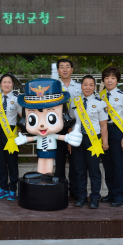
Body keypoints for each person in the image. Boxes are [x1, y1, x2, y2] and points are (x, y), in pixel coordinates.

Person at [14, 78, 83, 182]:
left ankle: (48, 174)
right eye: (32, 119)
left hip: (51, 149)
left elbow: (60, 137)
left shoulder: (54, 133)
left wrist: (69, 137)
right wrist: (24, 139)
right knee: (41, 160)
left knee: (50, 161)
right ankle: (40, 174)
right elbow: (33, 138)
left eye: (51, 118)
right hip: (41, 150)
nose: (42, 125)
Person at [69, 75, 108, 209]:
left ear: (94, 87)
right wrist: (69, 141)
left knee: (94, 170)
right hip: (78, 139)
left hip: (94, 140)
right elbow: (72, 122)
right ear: (81, 86)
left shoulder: (100, 103)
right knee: (79, 170)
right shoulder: (75, 102)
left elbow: (103, 125)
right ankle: (81, 197)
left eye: (91, 85)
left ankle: (95, 198)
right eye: (85, 84)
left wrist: (105, 142)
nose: (88, 87)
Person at [99, 66, 123, 207]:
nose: (109, 80)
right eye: (107, 77)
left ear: (117, 80)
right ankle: (112, 193)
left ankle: (120, 197)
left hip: (117, 131)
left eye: (113, 78)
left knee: (119, 165)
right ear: (103, 80)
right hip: (104, 131)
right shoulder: (100, 96)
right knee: (108, 165)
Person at [0, 74, 22, 201]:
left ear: (12, 84)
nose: (7, 84)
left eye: (9, 82)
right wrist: (0, 124)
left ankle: (13, 189)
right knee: (1, 162)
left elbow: (21, 115)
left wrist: (19, 129)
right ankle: (3, 188)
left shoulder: (17, 99)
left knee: (12, 162)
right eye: (4, 82)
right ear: (0, 84)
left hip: (11, 132)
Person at [55, 58, 82, 199]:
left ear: (72, 69)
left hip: (75, 127)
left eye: (67, 66)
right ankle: (60, 190)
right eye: (61, 67)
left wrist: (73, 128)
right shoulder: (53, 86)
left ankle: (75, 190)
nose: (64, 69)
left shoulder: (79, 87)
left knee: (75, 160)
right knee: (59, 160)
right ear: (58, 70)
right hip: (57, 127)